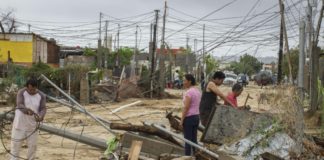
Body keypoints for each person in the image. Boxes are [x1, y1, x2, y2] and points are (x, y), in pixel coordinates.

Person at [10, 78, 47, 160]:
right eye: (30, 90)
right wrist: (26, 110)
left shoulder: (42, 95)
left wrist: (41, 116)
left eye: (34, 90)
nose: (32, 91)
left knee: (32, 148)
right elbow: (19, 104)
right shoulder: (21, 92)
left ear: (36, 87)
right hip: (19, 125)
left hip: (32, 126)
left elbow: (43, 108)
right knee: (15, 147)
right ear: (27, 87)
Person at [180, 74, 201, 156]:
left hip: (189, 118)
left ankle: (187, 157)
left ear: (190, 81)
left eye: (184, 81)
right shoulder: (197, 91)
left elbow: (186, 107)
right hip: (196, 117)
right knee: (194, 140)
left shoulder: (189, 92)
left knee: (187, 141)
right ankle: (197, 156)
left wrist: (181, 121)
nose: (183, 82)